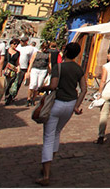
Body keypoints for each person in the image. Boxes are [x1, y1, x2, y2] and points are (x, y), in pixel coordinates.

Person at [37, 42, 87, 186]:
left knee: (48, 137)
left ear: (64, 52)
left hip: (57, 103)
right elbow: (84, 89)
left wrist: (43, 88)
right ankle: (47, 164)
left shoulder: (59, 67)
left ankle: (46, 174)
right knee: (57, 132)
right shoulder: (78, 69)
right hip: (70, 104)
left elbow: (53, 86)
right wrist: (77, 106)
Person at [26, 42, 52, 106]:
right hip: (35, 69)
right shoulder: (36, 53)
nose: (45, 49)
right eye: (44, 48)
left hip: (43, 70)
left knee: (39, 85)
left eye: (46, 48)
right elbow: (32, 61)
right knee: (33, 84)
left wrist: (50, 71)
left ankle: (33, 99)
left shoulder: (48, 54)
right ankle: (28, 98)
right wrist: (28, 71)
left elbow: (49, 63)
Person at [13, 37, 37, 102]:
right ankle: (8, 95)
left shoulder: (31, 48)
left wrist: (29, 70)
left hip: (23, 68)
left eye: (23, 41)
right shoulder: (17, 47)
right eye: (21, 41)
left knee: (18, 83)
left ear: (26, 41)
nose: (21, 42)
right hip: (15, 67)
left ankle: (12, 96)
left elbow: (32, 59)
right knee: (11, 82)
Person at [1, 39, 22, 105]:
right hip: (3, 69)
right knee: (1, 84)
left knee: (8, 84)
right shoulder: (5, 51)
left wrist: (18, 69)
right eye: (14, 44)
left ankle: (7, 98)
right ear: (11, 44)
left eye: (17, 44)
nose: (16, 45)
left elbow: (17, 62)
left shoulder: (17, 53)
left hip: (11, 70)